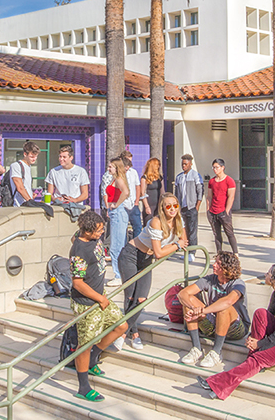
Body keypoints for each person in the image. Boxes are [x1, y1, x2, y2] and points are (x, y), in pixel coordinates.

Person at [199, 264, 275, 400]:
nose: (266, 275)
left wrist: (260, 344)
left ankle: (218, 383)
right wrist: (253, 338)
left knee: (259, 358)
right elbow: (268, 317)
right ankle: (251, 362)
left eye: (269, 273)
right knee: (260, 313)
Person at [68, 210, 128, 403]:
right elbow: (77, 283)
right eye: (99, 230)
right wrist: (99, 299)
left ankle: (94, 356)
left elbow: (73, 236)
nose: (102, 232)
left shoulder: (83, 237)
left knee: (121, 326)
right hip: (87, 303)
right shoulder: (79, 252)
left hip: (100, 297)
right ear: (87, 231)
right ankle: (83, 387)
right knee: (84, 345)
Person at [119, 192, 188, 350]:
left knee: (142, 298)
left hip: (146, 260)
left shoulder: (179, 220)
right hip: (131, 255)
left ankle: (122, 333)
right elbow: (159, 253)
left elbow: (184, 240)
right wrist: (176, 245)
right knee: (130, 296)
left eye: (175, 206)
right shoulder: (156, 222)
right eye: (168, 206)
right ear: (163, 208)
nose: (172, 209)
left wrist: (178, 244)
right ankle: (132, 334)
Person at [178, 251, 249, 369]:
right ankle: (196, 349)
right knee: (189, 301)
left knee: (224, 308)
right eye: (215, 262)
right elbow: (182, 294)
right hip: (213, 323)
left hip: (236, 328)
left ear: (227, 268)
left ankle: (216, 352)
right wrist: (194, 308)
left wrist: (202, 311)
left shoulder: (238, 284)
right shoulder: (209, 279)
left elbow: (229, 301)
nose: (214, 265)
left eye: (218, 263)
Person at [104, 158, 130, 287]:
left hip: (118, 212)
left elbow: (126, 192)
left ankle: (119, 275)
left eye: (110, 167)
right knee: (118, 244)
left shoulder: (119, 179)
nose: (108, 169)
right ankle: (121, 273)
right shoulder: (114, 179)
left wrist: (116, 204)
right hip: (115, 212)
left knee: (116, 246)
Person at [175, 154, 205, 262]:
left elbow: (200, 191)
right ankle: (186, 251)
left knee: (192, 230)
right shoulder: (179, 177)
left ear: (190, 164)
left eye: (185, 164)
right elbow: (177, 192)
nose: (183, 166)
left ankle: (192, 252)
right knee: (184, 231)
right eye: (182, 164)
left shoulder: (196, 176)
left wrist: (197, 206)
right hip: (181, 208)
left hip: (191, 207)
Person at [45, 145, 91, 210]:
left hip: (76, 206)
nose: (61, 159)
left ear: (71, 158)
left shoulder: (81, 171)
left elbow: (85, 194)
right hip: (58, 207)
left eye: (64, 157)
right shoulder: (53, 172)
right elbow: (49, 193)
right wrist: (55, 199)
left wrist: (75, 200)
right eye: (60, 156)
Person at [208, 159, 238, 254]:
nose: (215, 169)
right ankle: (219, 253)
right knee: (217, 234)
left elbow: (231, 197)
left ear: (222, 167)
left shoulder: (229, 181)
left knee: (229, 233)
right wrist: (208, 210)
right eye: (213, 167)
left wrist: (227, 211)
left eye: (217, 167)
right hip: (213, 211)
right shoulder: (212, 181)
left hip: (223, 211)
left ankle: (235, 253)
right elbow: (209, 196)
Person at [119, 151, 143, 243]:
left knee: (137, 226)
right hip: (123, 205)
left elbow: (137, 186)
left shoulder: (133, 172)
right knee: (123, 228)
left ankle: (136, 245)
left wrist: (137, 201)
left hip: (133, 204)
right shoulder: (118, 173)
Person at [10, 141, 40, 207]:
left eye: (36, 156)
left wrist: (31, 194)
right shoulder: (16, 166)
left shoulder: (29, 166)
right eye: (32, 156)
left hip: (27, 204)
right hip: (19, 205)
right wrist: (30, 201)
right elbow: (20, 187)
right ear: (25, 154)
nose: (34, 159)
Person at [138, 157, 163, 228]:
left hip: (158, 204)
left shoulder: (159, 178)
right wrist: (146, 206)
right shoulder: (144, 178)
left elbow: (162, 191)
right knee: (148, 225)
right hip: (149, 204)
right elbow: (142, 193)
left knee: (158, 224)